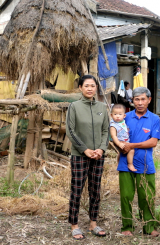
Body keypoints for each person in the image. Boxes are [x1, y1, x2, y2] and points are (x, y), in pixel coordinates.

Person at [66, 75, 109, 240]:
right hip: (80, 155)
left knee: (95, 190)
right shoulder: (74, 106)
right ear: (80, 88)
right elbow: (71, 131)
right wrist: (84, 149)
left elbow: (106, 131)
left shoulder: (102, 107)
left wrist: (101, 149)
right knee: (77, 190)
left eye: (93, 86)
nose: (90, 88)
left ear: (96, 88)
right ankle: (74, 225)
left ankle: (93, 224)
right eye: (86, 86)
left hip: (98, 155)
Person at [118, 86, 160, 237]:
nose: (140, 102)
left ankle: (149, 228)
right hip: (125, 163)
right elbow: (115, 135)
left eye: (143, 99)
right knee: (126, 196)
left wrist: (132, 145)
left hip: (145, 164)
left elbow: (153, 142)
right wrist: (120, 146)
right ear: (132, 101)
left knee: (147, 197)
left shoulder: (154, 119)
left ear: (149, 100)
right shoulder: (125, 117)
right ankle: (127, 227)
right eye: (137, 99)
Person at [110, 104, 136, 172]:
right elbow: (113, 136)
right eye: (115, 114)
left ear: (124, 116)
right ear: (111, 115)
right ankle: (130, 164)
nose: (117, 116)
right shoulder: (113, 125)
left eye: (120, 114)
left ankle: (118, 163)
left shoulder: (123, 122)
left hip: (125, 141)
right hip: (120, 142)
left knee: (120, 153)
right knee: (131, 150)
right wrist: (118, 144)